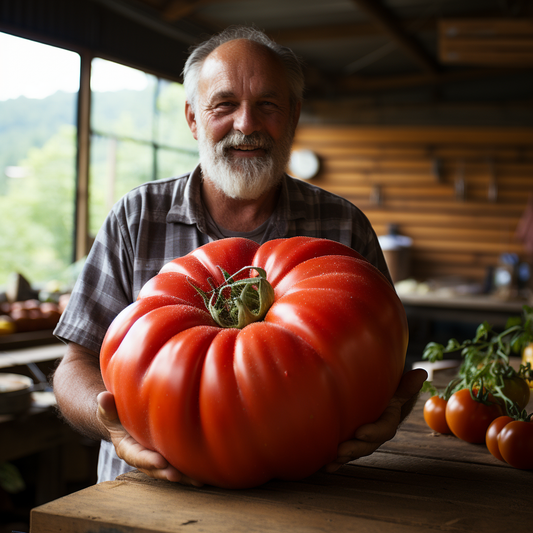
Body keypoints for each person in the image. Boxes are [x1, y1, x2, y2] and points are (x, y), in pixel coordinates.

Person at [52, 26, 427, 487]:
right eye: (224, 104)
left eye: (267, 105)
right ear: (193, 118)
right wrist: (115, 424)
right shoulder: (136, 217)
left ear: (293, 116)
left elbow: (387, 363)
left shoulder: (344, 227)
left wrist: (393, 412)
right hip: (147, 496)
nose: (246, 124)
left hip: (310, 500)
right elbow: (74, 365)